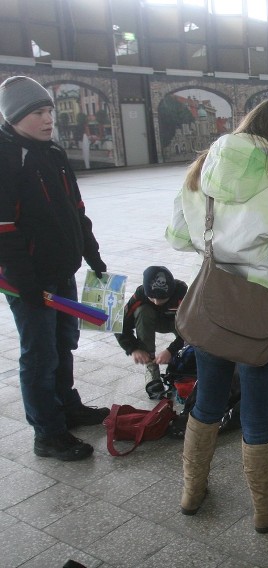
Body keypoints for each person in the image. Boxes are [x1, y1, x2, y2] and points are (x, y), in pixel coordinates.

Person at [165, 99, 268, 533]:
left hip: (213, 306)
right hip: (261, 315)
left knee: (207, 401)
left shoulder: (202, 167)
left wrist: (218, 246)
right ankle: (267, 508)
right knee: (258, 415)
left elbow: (178, 237)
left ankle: (191, 491)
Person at [0, 76, 110, 462]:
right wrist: (24, 282)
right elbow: (4, 229)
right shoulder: (6, 156)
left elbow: (75, 208)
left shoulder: (52, 152)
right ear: (14, 117)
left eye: (48, 110)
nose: (48, 119)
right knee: (40, 354)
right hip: (28, 281)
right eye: (37, 113)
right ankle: (47, 433)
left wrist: (91, 251)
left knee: (65, 343)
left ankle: (67, 406)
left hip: (61, 268)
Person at [115, 265, 187, 399]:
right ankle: (152, 370)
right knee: (142, 311)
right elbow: (119, 324)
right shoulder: (140, 294)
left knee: (192, 339)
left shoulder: (182, 293)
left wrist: (171, 350)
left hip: (180, 323)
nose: (156, 302)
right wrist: (133, 349)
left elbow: (195, 328)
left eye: (162, 299)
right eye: (152, 298)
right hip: (154, 321)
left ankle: (184, 365)